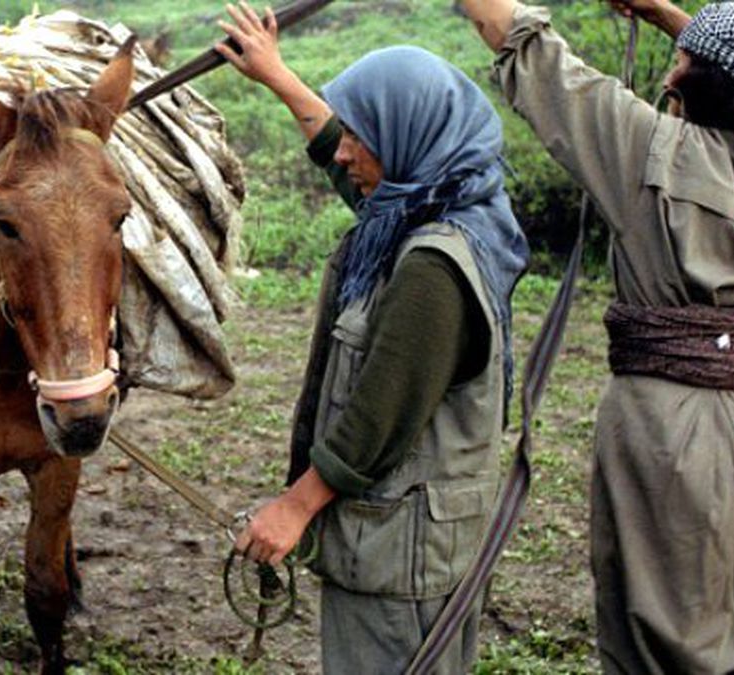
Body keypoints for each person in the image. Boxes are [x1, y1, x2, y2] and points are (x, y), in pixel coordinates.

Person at [459, 0, 734, 672]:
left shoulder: (651, 152)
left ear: (688, 80)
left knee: (671, 643)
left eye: (684, 56)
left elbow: (525, 44)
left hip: (675, 438)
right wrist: (669, 15)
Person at [217, 4, 529, 671]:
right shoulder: (443, 198)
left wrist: (294, 508)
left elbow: (379, 413)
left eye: (364, 136)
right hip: (417, 540)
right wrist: (276, 76)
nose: (346, 152)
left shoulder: (432, 268)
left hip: (401, 555)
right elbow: (349, 165)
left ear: (408, 137)